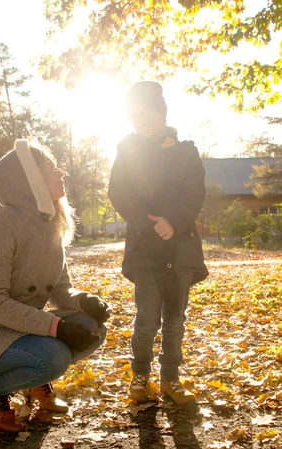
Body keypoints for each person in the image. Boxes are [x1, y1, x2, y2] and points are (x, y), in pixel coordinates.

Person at [0, 139, 110, 433]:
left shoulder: (51, 227)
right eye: (51, 167)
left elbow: (61, 288)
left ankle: (36, 385)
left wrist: (84, 301)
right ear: (29, 180)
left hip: (25, 328)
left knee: (94, 329)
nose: (61, 172)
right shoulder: (1, 225)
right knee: (53, 358)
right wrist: (56, 327)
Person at [108, 81, 208, 405]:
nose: (141, 119)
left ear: (161, 112)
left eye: (146, 111)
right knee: (147, 320)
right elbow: (118, 192)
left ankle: (171, 380)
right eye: (134, 114)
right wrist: (146, 223)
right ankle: (140, 376)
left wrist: (173, 222)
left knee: (175, 320)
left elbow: (195, 193)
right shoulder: (127, 149)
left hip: (181, 249)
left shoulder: (186, 151)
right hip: (145, 248)